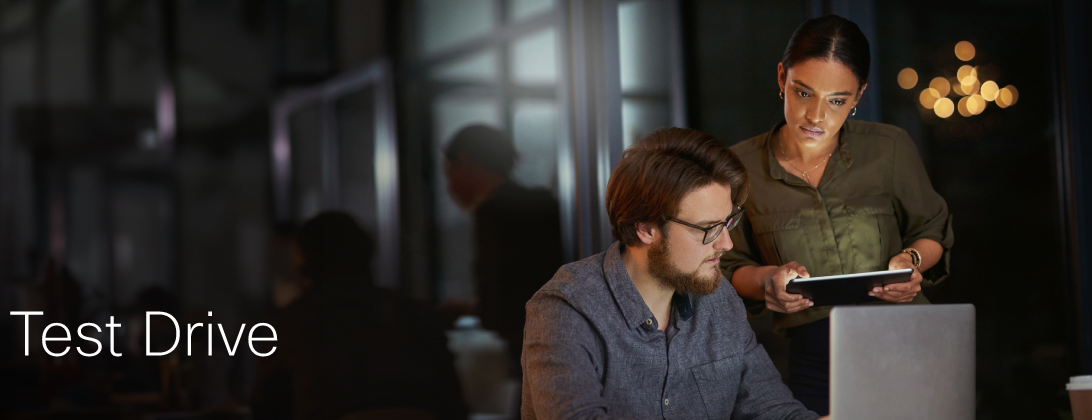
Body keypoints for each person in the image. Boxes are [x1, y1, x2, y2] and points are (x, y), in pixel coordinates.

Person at [720, 15, 955, 415]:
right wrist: (767, 281)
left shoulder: (889, 148)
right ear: (782, 78)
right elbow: (726, 264)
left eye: (837, 101)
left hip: (910, 343)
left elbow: (932, 229)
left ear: (859, 94)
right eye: (803, 92)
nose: (815, 116)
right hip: (814, 357)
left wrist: (911, 262)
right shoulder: (739, 168)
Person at [521, 127, 826, 420]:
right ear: (645, 228)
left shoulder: (718, 298)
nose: (726, 243)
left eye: (728, 222)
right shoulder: (567, 309)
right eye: (708, 229)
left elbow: (773, 410)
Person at [251, 212, 468, 420]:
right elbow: (454, 407)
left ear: (303, 263)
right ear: (366, 253)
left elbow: (266, 410)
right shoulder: (419, 314)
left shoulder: (287, 325)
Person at [443, 124, 565, 378]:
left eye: (449, 171)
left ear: (464, 161)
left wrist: (471, 309)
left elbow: (502, 295)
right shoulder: (541, 204)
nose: (449, 184)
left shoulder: (493, 212)